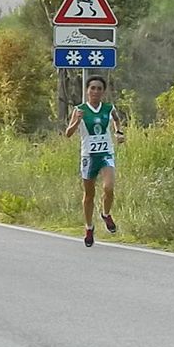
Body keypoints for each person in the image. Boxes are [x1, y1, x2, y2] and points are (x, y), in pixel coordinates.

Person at [66, 75, 125, 247]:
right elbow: (68, 133)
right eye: (93, 88)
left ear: (103, 92)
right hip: (88, 156)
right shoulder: (80, 109)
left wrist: (118, 132)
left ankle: (106, 214)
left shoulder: (108, 108)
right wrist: (77, 121)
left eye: (99, 88)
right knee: (89, 195)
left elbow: (116, 119)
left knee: (108, 188)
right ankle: (89, 227)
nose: (96, 91)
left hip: (106, 153)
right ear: (87, 90)